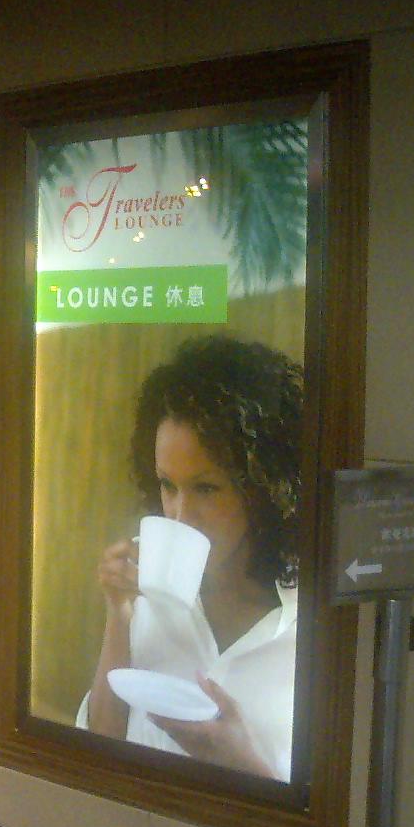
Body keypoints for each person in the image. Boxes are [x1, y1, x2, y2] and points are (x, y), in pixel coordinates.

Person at [76, 335, 303, 781]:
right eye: (168, 485)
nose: (181, 515)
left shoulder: (313, 624)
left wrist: (240, 764)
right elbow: (98, 751)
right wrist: (119, 615)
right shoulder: (147, 588)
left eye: (206, 488)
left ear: (263, 489)